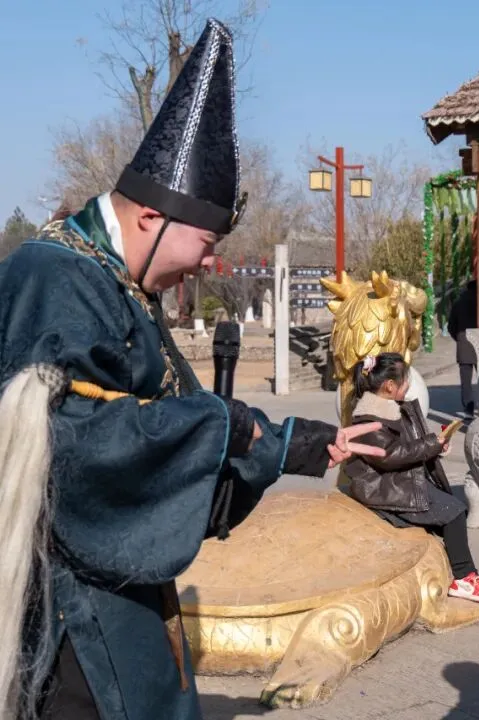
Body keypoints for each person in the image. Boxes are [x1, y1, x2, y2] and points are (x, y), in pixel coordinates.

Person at [0, 20, 385, 720]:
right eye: (206, 241)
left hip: (121, 580)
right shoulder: (54, 277)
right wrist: (226, 429)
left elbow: (185, 412)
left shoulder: (118, 282)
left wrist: (298, 443)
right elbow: (79, 444)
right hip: (70, 611)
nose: (210, 262)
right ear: (151, 216)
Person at [343, 353, 479, 603]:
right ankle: (464, 577)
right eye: (405, 380)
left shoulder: (394, 407)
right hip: (383, 487)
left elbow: (408, 445)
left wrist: (436, 444)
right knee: (454, 512)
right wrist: (430, 444)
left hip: (400, 478)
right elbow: (390, 455)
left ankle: (460, 572)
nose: (408, 385)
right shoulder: (369, 418)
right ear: (390, 386)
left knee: (449, 507)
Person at [447, 255, 478, 416]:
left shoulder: (459, 303)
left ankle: (468, 409)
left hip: (464, 346)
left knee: (466, 382)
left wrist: (460, 338)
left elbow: (451, 326)